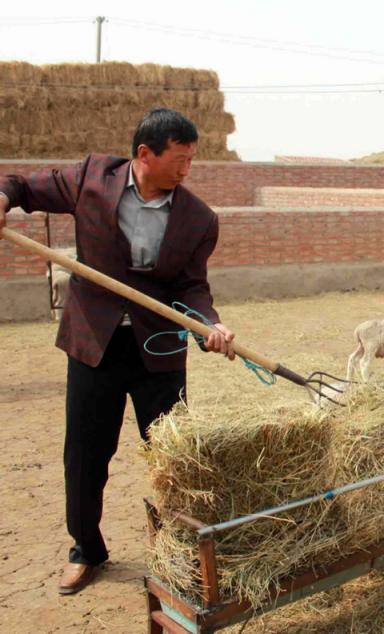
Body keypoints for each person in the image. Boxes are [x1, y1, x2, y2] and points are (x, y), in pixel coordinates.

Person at [0, 108, 236, 595]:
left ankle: (180, 550)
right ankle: (87, 548)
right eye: (179, 160)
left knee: (175, 458)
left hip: (159, 352)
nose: (186, 171)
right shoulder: (91, 178)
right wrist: (2, 197)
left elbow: (193, 287)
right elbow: (21, 185)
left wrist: (209, 324)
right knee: (85, 455)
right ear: (144, 154)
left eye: (192, 160)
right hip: (95, 345)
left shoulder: (198, 218)